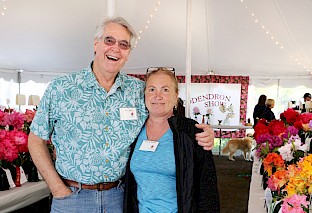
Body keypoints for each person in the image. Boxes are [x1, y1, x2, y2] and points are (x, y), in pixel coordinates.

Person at [28, 16, 215, 213]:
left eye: (124, 44)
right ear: (96, 44)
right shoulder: (61, 88)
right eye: (109, 41)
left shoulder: (138, 90)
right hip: (72, 197)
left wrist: (201, 132)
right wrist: (56, 187)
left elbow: (163, 111)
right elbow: (35, 139)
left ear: (128, 54)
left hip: (119, 198)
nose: (115, 48)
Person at [124, 68, 220, 212]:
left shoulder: (191, 132)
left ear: (176, 97)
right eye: (151, 89)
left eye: (165, 90)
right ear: (144, 95)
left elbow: (207, 188)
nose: (158, 96)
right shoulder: (133, 129)